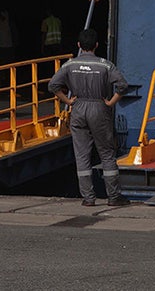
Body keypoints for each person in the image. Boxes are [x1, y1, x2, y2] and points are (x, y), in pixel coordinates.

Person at [47, 28, 130, 207]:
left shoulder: (69, 65)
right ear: (97, 45)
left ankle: (88, 198)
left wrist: (68, 101)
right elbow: (123, 86)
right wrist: (111, 102)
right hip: (99, 108)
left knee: (82, 154)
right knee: (107, 153)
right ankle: (113, 196)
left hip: (78, 108)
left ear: (79, 45)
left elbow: (53, 85)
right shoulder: (105, 65)